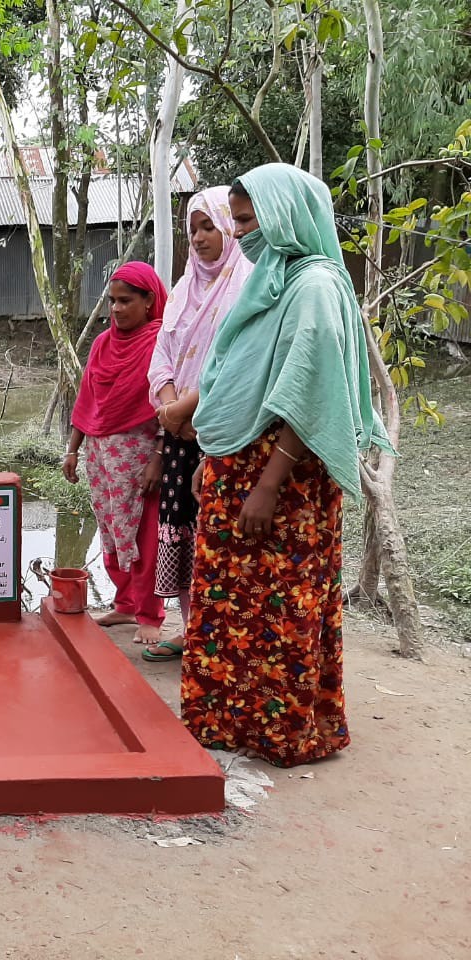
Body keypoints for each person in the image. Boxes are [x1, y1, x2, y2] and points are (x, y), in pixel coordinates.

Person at [184, 163, 393, 767]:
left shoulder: (316, 287)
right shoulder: (274, 277)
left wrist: (268, 485)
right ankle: (226, 719)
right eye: (239, 220)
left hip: (285, 481)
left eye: (249, 220)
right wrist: (215, 455)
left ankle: (283, 730)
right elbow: (239, 380)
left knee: (282, 604)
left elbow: (311, 394)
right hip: (241, 469)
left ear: (285, 215)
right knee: (229, 599)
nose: (242, 232)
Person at [142, 186, 254, 663]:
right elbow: (162, 354)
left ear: (230, 227)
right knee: (181, 532)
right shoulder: (185, 287)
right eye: (193, 229)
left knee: (216, 534)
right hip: (177, 433)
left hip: (221, 431)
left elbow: (235, 362)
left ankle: (220, 636)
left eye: (210, 226)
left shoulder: (247, 285)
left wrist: (187, 407)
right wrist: (167, 405)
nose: (200, 237)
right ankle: (190, 630)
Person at [63, 261, 168, 645]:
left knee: (144, 536)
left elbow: (166, 407)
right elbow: (87, 399)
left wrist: (159, 456)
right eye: (112, 301)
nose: (117, 309)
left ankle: (150, 614)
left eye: (126, 301)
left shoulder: (160, 343)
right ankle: (125, 604)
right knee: (110, 531)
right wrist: (73, 450)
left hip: (140, 456)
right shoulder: (103, 343)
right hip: (101, 455)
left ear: (149, 301)